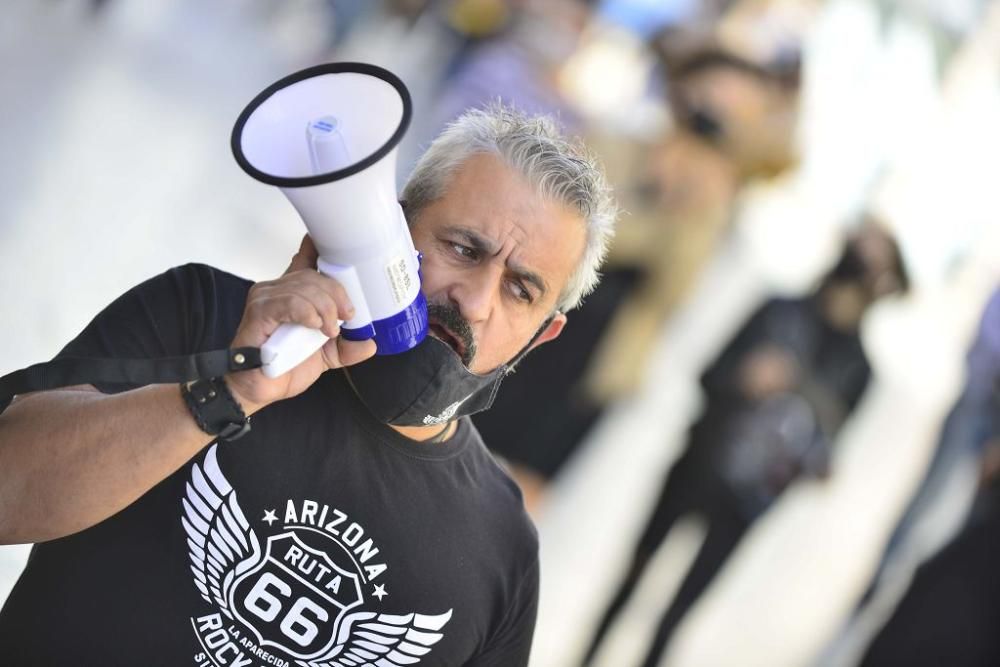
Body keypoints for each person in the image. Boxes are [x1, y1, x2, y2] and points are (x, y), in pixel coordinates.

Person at [0, 105, 616, 666]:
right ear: (393, 230)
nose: (476, 301)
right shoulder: (201, 315)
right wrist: (229, 390)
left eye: (521, 290)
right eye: (462, 248)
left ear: (543, 335)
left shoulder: (501, 551)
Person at [584, 222, 908, 667]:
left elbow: (828, 453)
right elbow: (708, 373)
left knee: (678, 615)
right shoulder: (780, 310)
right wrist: (745, 378)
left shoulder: (859, 370)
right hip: (698, 464)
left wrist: (810, 441)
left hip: (748, 503)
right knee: (628, 581)